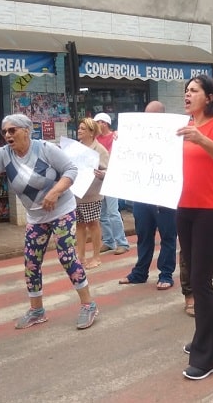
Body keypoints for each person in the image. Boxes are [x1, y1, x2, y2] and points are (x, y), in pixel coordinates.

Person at [0, 113, 99, 330]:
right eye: (5, 132)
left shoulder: (45, 149)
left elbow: (71, 170)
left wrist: (56, 191)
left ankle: (88, 304)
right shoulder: (4, 155)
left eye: (13, 130)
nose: (8, 135)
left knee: (67, 256)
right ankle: (37, 310)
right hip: (36, 216)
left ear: (26, 130)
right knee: (31, 261)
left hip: (62, 210)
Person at [176, 74, 213, 380]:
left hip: (211, 210)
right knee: (194, 272)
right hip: (183, 208)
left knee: (200, 280)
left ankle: (208, 356)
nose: (188, 94)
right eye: (186, 91)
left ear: (209, 97)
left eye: (194, 90)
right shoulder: (180, 126)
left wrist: (200, 138)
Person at [119, 101, 177, 290]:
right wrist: (121, 141)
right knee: (143, 235)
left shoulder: (173, 137)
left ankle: (166, 274)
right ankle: (140, 273)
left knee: (167, 237)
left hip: (164, 197)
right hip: (142, 195)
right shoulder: (138, 137)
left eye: (151, 116)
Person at [74, 117, 109, 270]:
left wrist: (101, 174)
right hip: (77, 193)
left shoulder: (100, 150)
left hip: (93, 193)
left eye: (82, 128)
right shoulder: (76, 148)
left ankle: (96, 257)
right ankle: (80, 256)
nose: (79, 131)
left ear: (91, 132)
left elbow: (108, 171)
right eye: (79, 128)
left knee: (93, 224)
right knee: (79, 225)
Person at [94, 112, 130, 255]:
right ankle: (108, 241)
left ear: (105, 123)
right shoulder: (95, 139)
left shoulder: (115, 137)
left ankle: (122, 243)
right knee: (102, 213)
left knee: (113, 212)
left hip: (112, 177)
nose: (97, 125)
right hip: (98, 178)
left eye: (99, 122)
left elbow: (114, 155)